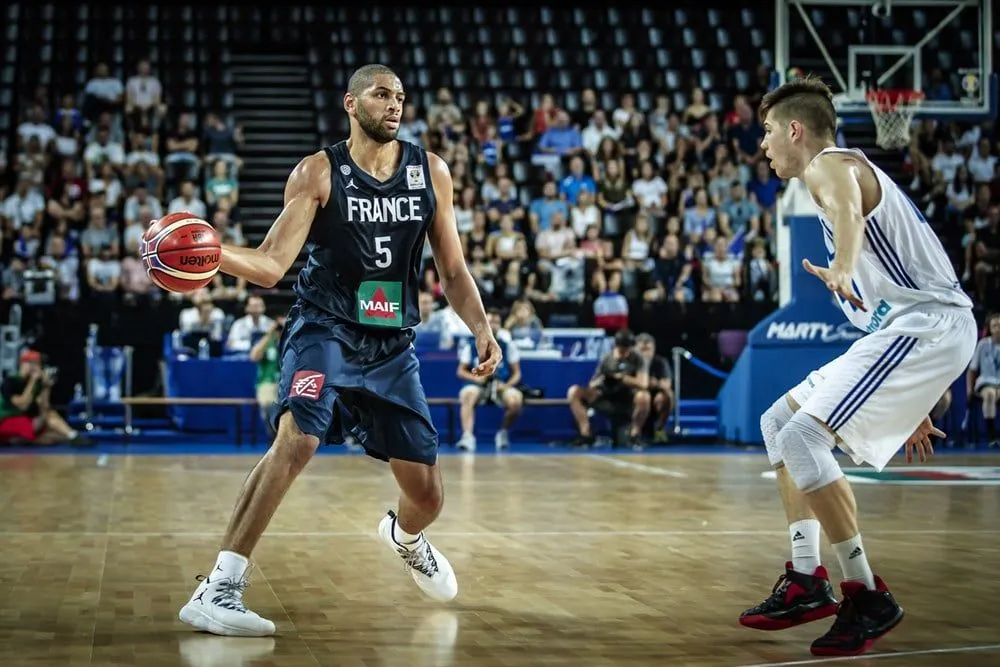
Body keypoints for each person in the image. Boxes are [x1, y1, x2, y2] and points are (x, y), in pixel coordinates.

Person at [176, 64, 501, 637]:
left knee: (427, 494)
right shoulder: (319, 172)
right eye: (381, 95)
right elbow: (273, 264)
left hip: (391, 344)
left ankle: (403, 535)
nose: (394, 105)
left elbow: (452, 269)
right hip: (325, 328)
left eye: (400, 96)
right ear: (352, 104)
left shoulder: (432, 172)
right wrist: (211, 252)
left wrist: (481, 326)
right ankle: (218, 588)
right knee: (298, 438)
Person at [739, 76, 976, 658]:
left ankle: (865, 592)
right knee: (778, 423)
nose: (763, 144)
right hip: (907, 333)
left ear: (795, 129)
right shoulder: (831, 175)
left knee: (802, 436)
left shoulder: (829, 166)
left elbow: (848, 209)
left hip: (927, 326)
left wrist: (842, 264)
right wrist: (912, 396)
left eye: (768, 131)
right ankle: (805, 579)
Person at [566, 329, 650, 448]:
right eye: (622, 350)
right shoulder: (607, 358)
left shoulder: (638, 358)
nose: (624, 353)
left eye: (627, 350)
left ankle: (634, 435)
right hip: (606, 397)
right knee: (574, 391)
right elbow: (592, 383)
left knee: (644, 396)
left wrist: (622, 378)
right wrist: (603, 379)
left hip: (628, 399)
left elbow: (643, 384)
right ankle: (586, 434)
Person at [456, 309, 523, 452]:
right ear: (484, 323)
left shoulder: (507, 345)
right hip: (477, 384)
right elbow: (460, 371)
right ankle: (467, 436)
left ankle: (503, 432)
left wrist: (506, 385)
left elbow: (517, 374)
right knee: (467, 394)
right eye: (490, 321)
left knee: (515, 399)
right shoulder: (471, 344)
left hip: (500, 385)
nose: (493, 325)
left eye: (496, 322)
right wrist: (476, 379)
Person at [0, 349, 92, 447]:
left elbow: (45, 407)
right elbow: (23, 405)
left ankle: (20, 440)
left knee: (58, 435)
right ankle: (73, 435)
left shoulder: (36, 383)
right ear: (22, 364)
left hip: (25, 420)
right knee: (49, 421)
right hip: (6, 420)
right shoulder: (10, 381)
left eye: (36, 364)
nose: (33, 368)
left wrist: (46, 387)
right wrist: (33, 381)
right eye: (30, 363)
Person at [967, 312, 1000, 447]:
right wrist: (969, 389)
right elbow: (972, 369)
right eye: (995, 325)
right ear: (990, 329)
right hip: (986, 383)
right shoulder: (982, 344)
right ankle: (992, 436)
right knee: (990, 394)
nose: (998, 328)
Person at [635, 333, 673, 441]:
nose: (646, 353)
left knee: (667, 396)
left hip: (654, 398)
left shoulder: (661, 362)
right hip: (635, 398)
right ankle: (634, 432)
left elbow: (667, 384)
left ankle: (659, 429)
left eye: (649, 349)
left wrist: (655, 383)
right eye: (642, 349)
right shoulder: (631, 361)